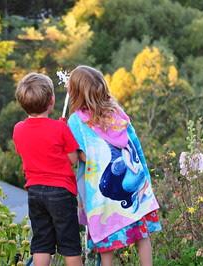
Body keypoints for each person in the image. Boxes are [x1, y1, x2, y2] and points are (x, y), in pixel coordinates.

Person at [67, 66, 161, 266]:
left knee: (106, 247)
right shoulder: (117, 113)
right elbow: (135, 144)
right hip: (134, 188)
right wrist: (145, 176)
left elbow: (77, 155)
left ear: (75, 93)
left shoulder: (76, 121)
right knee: (142, 236)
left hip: (103, 197)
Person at [12, 73, 82, 266]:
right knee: (70, 244)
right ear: (52, 101)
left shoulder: (18, 129)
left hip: (34, 192)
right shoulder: (60, 129)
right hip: (61, 192)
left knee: (41, 243)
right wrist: (64, 132)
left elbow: (24, 150)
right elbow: (73, 159)